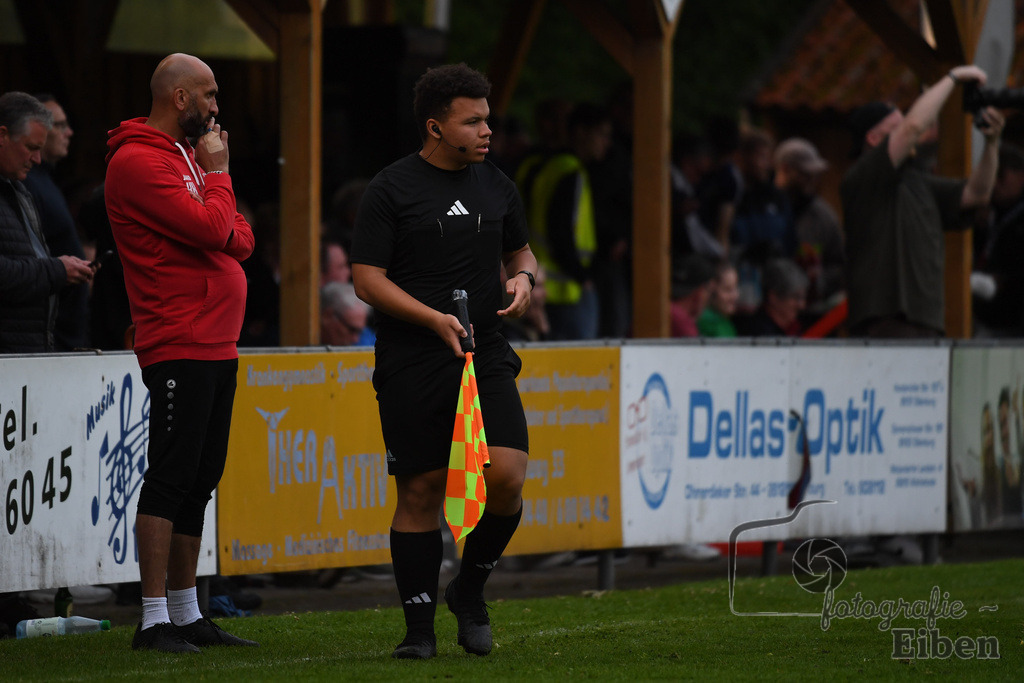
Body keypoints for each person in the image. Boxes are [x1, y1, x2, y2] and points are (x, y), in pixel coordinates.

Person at [350, 63, 537, 660]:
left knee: (506, 478)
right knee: (422, 490)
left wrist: (526, 279)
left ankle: (470, 590)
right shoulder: (390, 189)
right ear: (435, 126)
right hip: (413, 358)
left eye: (489, 119)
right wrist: (432, 319)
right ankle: (419, 632)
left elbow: (521, 250)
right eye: (473, 120)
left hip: (484, 355)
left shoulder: (496, 184)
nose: (488, 130)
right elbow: (365, 281)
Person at [104, 53, 257, 653]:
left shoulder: (184, 159)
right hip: (179, 338)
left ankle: (188, 613)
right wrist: (218, 176)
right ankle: (152, 620)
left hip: (216, 341)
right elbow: (210, 230)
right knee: (171, 477)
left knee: (200, 478)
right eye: (211, 94)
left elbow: (238, 237)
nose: (218, 107)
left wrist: (214, 188)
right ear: (181, 99)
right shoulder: (139, 161)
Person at [842, 65, 1004, 338]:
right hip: (885, 320)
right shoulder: (862, 179)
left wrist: (992, 143)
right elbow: (914, 126)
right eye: (895, 127)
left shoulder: (918, 181)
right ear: (873, 139)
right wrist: (953, 78)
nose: (908, 131)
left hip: (926, 321)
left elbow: (978, 193)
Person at [0, 91, 94, 353]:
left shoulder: (17, 188)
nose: (37, 160)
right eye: (31, 148)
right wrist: (58, 270)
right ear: (2, 135)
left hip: (31, 353)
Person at [520, 103, 608, 340]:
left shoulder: (532, 166)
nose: (605, 143)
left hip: (532, 280)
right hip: (567, 287)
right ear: (580, 132)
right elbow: (560, 231)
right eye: (601, 134)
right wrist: (582, 276)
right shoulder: (570, 171)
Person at [773, 137, 845, 316]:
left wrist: (819, 280)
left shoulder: (823, 217)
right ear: (785, 169)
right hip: (768, 313)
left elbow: (840, 264)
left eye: (815, 174)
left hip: (810, 313)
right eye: (805, 174)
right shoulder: (764, 207)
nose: (812, 180)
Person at [971, 143, 1024, 337]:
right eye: (992, 176)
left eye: (1000, 176)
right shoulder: (987, 210)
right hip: (987, 313)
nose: (995, 185)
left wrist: (1005, 282)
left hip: (1015, 315)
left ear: (1021, 175)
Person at [736, 258, 807, 337]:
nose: (802, 305)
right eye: (795, 297)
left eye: (803, 297)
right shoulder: (756, 333)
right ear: (773, 297)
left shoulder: (796, 328)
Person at [669, 253, 714, 337]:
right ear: (700, 293)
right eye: (709, 291)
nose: (708, 299)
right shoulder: (680, 319)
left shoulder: (669, 310)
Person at [320, 280, 374, 346]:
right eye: (351, 330)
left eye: (360, 332)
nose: (356, 339)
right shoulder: (305, 338)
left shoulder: (367, 341)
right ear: (327, 316)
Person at [697, 260, 739, 338]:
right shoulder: (709, 322)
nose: (735, 296)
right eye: (727, 290)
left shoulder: (724, 321)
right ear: (712, 289)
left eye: (735, 288)